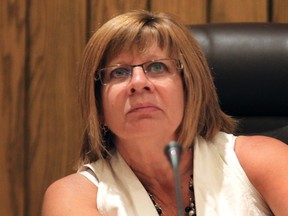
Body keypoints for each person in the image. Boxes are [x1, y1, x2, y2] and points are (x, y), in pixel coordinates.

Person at [42, 10, 288, 216]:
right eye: (118, 73)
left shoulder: (263, 160)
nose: (138, 82)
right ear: (98, 107)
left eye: (157, 67)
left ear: (190, 89)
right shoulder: (73, 197)